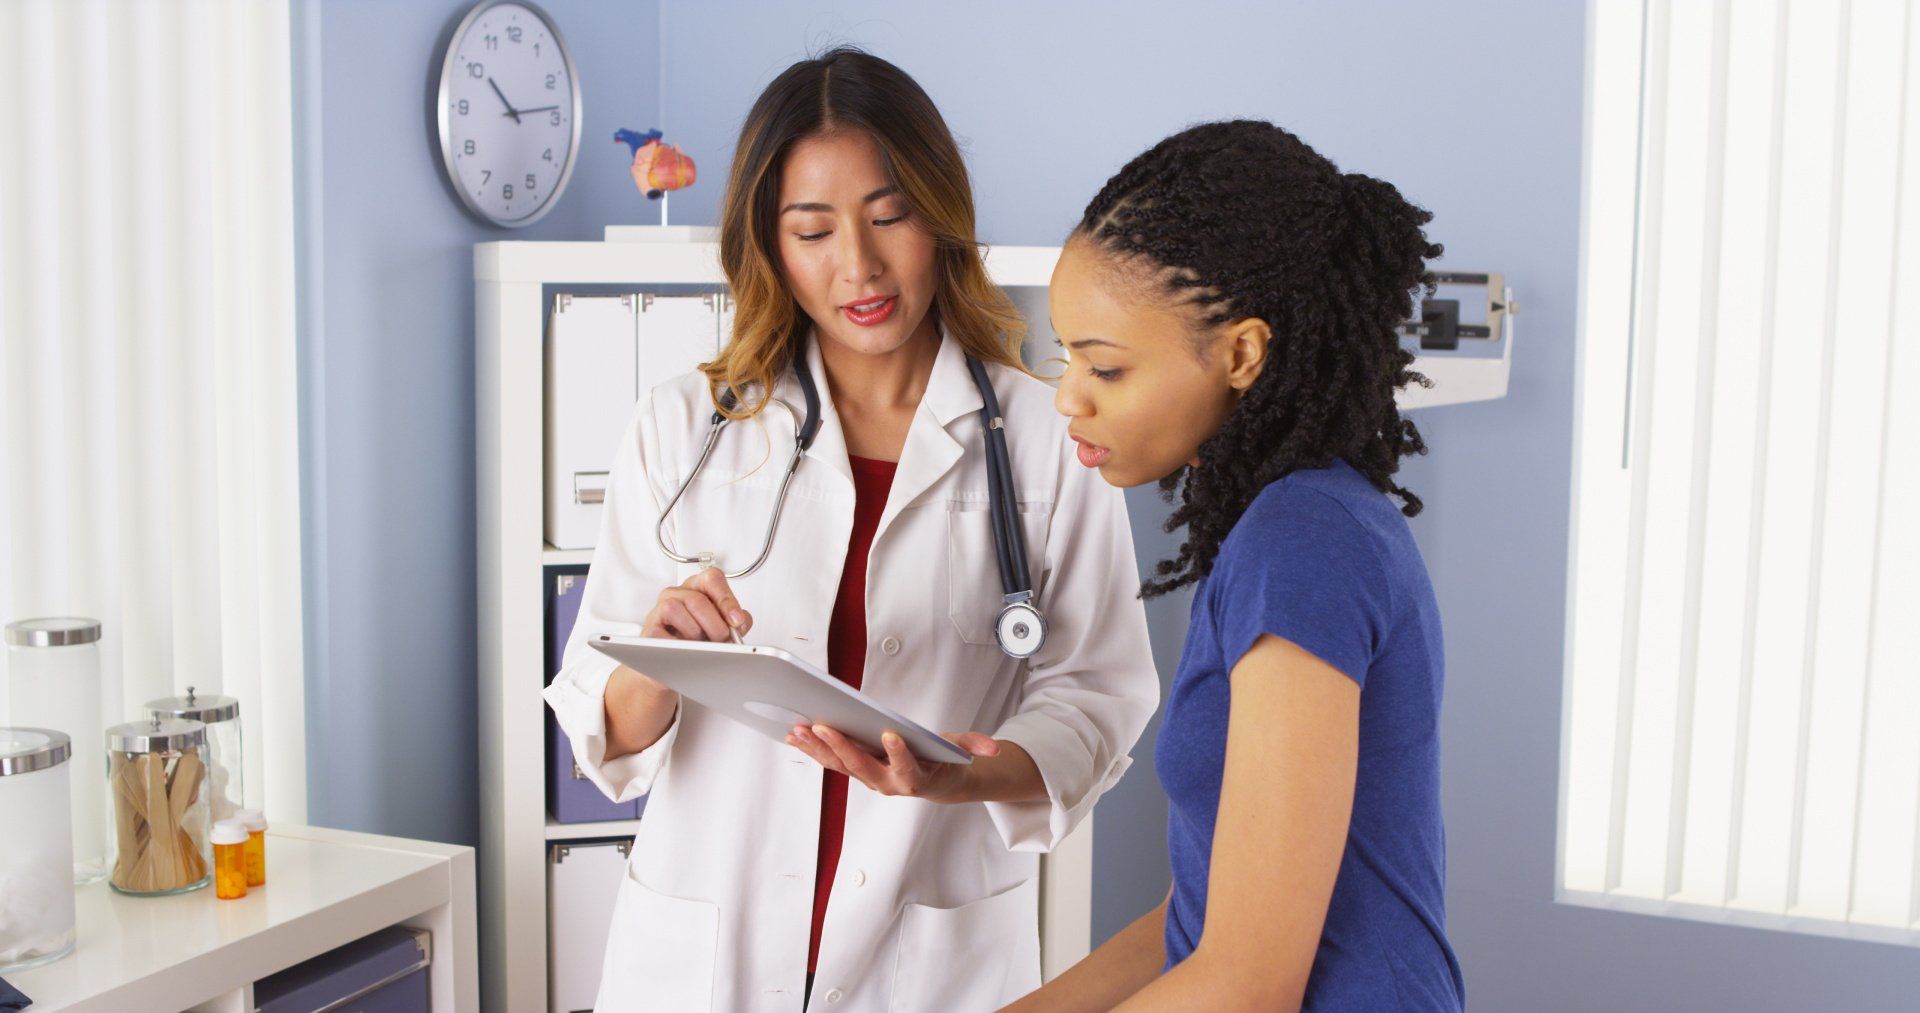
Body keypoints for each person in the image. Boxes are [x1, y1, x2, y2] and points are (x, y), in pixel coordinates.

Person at [543, 48, 1157, 1011]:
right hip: (709, 958)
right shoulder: (681, 428)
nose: (858, 267)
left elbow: (1100, 689)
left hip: (932, 958)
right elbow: (601, 726)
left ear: (940, 217)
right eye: (814, 229)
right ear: (770, 244)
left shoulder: (1044, 438)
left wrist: (971, 777)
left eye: (889, 216)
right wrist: (653, 662)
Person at [1009, 120, 1465, 1011]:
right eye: (1067, 357)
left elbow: (1247, 983)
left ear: (1242, 354)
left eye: (1105, 365)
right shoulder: (1284, 526)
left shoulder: (1304, 539)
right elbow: (1200, 917)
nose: (1069, 395)